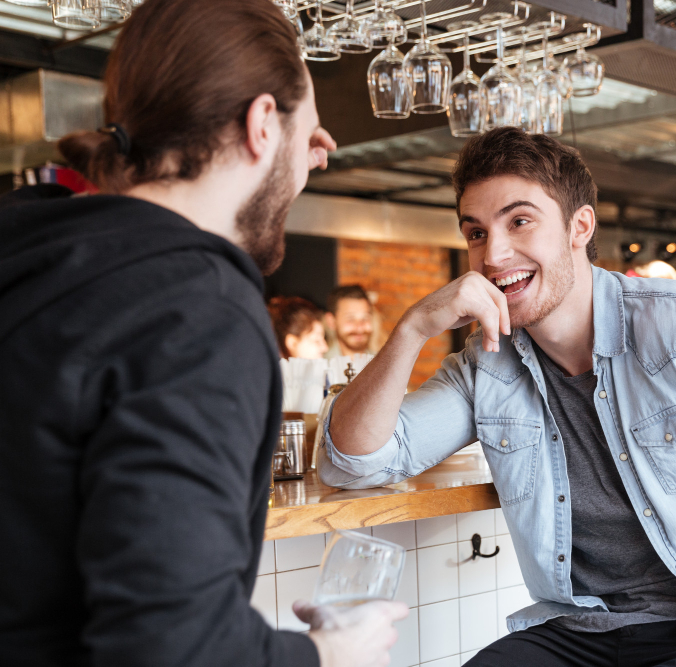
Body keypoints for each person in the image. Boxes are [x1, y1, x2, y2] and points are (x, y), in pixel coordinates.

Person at [321, 128, 676, 667]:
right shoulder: (484, 368)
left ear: (579, 227)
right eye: (476, 232)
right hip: (580, 630)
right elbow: (354, 462)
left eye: (520, 221)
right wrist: (414, 327)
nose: (493, 255)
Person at [0, 0, 406, 665]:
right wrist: (330, 654)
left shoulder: (31, 247)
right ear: (260, 125)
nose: (317, 158)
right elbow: (171, 648)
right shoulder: (198, 310)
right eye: (307, 131)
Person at [323, 285, 379, 358]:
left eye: (365, 318)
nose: (359, 327)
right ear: (331, 322)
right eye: (350, 319)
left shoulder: (386, 364)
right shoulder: (319, 365)